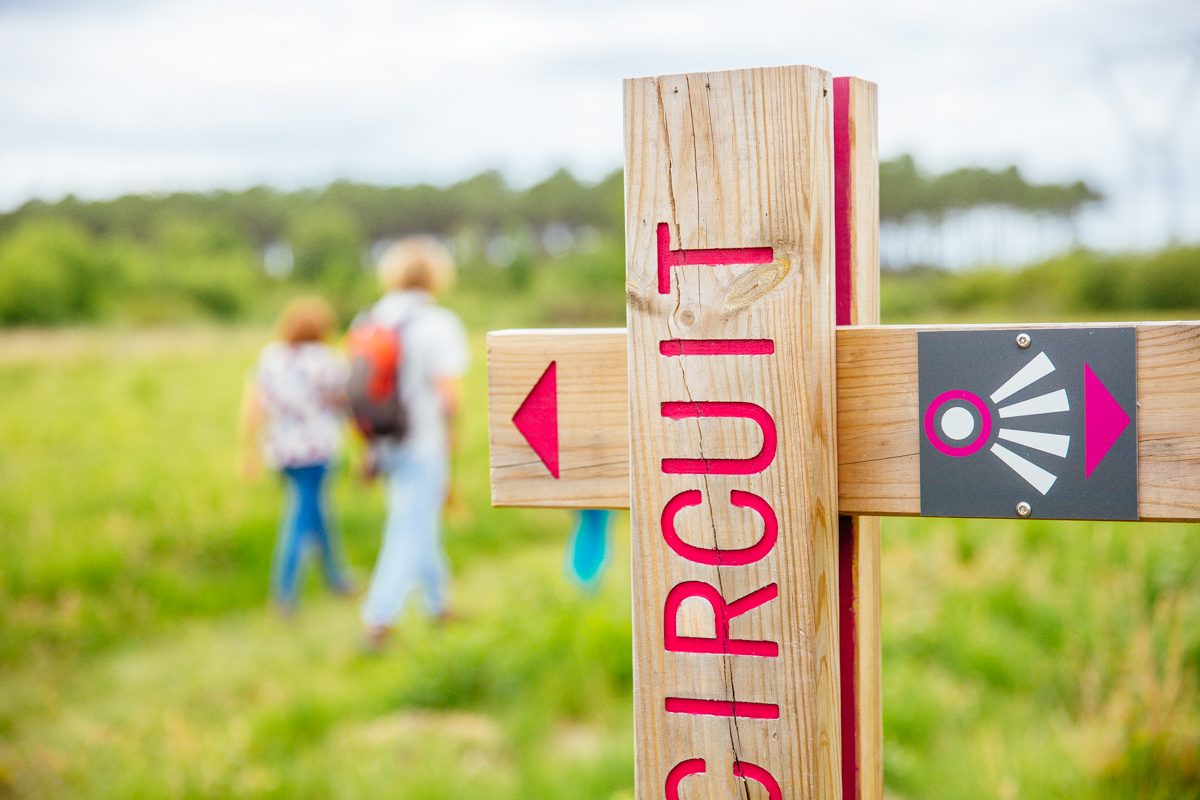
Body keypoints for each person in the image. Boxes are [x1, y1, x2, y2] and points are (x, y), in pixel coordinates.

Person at [357, 235, 470, 648]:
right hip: (422, 441)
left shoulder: (370, 319)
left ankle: (439, 604)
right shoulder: (439, 323)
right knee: (409, 526)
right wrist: (454, 435)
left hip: (381, 442)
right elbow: (449, 395)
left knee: (417, 519)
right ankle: (378, 618)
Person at [240, 296, 353, 614]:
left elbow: (254, 407)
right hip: (317, 450)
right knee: (301, 519)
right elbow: (345, 402)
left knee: (317, 512)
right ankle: (284, 594)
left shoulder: (271, 358)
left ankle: (337, 577)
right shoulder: (327, 360)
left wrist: (248, 451)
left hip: (281, 450)